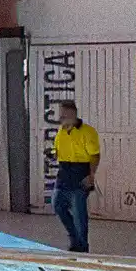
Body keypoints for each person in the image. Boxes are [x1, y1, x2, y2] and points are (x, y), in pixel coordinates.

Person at [50, 100, 100, 252]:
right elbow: (57, 150)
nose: (60, 118)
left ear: (72, 114)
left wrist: (91, 175)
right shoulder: (61, 132)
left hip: (80, 173)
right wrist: (53, 154)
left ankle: (82, 246)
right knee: (57, 205)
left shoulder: (88, 132)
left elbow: (95, 155)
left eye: (63, 115)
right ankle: (74, 237)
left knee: (79, 214)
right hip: (64, 173)